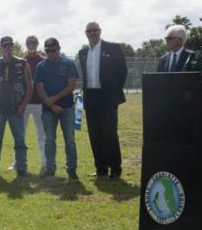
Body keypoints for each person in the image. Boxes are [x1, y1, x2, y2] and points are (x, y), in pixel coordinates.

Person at [77, 22, 127, 180]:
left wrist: (113, 91)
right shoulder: (83, 52)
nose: (92, 33)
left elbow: (123, 71)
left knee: (109, 134)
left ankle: (115, 169)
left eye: (95, 30)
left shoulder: (113, 48)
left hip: (107, 98)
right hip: (90, 97)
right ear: (86, 33)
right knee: (95, 135)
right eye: (89, 31)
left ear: (100, 31)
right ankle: (101, 168)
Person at [0, 36, 31, 177]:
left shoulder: (22, 64)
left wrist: (23, 105)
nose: (8, 48)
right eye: (5, 46)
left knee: (20, 141)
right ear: (1, 48)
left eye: (10, 46)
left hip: (17, 109)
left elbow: (29, 86)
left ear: (13, 47)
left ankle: (22, 168)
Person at [34, 38, 79, 180]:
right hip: (48, 110)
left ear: (59, 48)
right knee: (49, 141)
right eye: (47, 50)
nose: (51, 53)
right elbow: (39, 88)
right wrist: (52, 105)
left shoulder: (68, 63)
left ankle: (71, 169)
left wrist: (54, 98)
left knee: (70, 140)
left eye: (53, 50)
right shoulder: (40, 66)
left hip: (67, 108)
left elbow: (71, 85)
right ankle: (50, 169)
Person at [21, 35, 47, 172]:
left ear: (37, 44)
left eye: (34, 42)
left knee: (42, 134)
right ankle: (18, 162)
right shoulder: (21, 61)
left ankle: (44, 163)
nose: (31, 44)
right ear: (26, 44)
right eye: (29, 42)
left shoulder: (43, 60)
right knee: (21, 134)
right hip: (24, 103)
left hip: (39, 102)